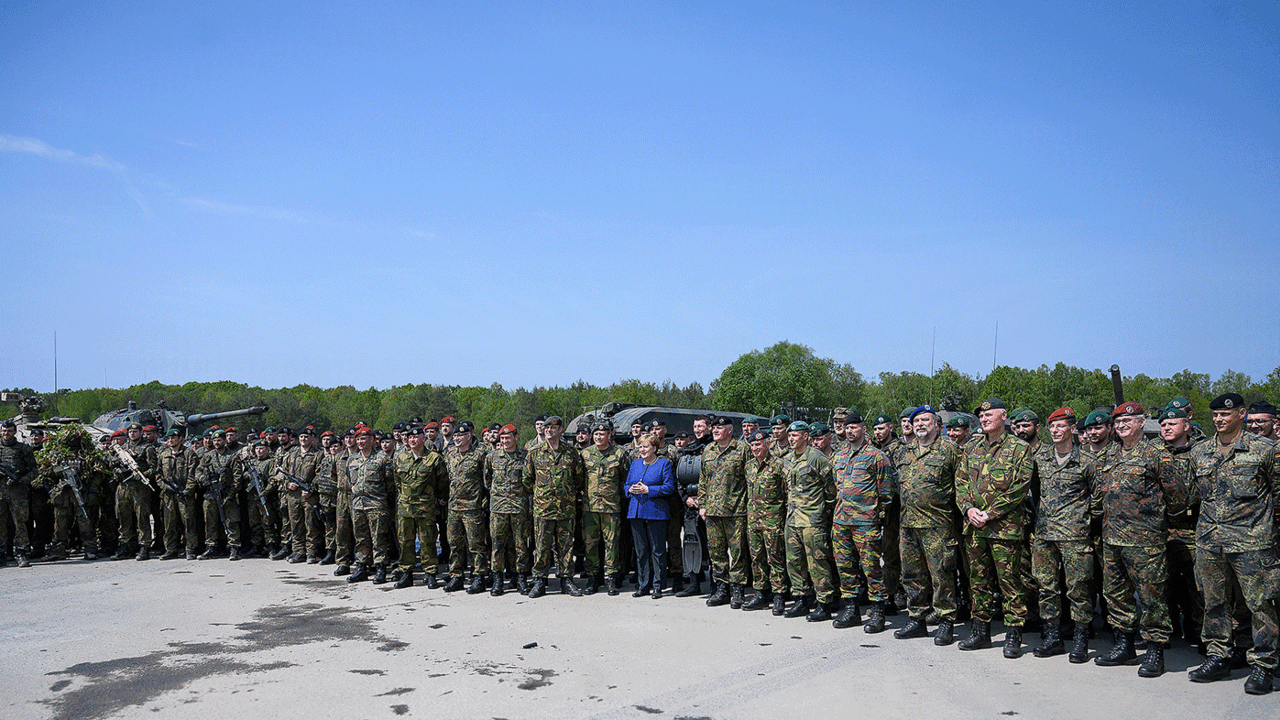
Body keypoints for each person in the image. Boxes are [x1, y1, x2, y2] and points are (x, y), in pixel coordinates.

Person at [1187, 393, 1279, 695]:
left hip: (1252, 541)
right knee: (1214, 603)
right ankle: (1218, 656)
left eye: (1225, 415)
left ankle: (1264, 665)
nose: (1219, 419)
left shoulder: (1264, 449)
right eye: (1215, 415)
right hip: (1211, 542)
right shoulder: (1200, 452)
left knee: (1260, 605)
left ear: (1241, 414)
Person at [1092, 402, 1182, 678]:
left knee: (1152, 596)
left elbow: (1177, 497)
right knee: (1116, 595)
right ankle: (1125, 645)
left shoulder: (1156, 455)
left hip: (1146, 540)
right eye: (1117, 422)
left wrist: (1157, 522)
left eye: (1127, 421)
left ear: (1142, 423)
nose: (1121, 426)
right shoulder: (1108, 454)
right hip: (1112, 538)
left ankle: (1155, 650)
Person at [955, 398, 1034, 658]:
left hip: (1005, 530)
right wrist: (968, 510)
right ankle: (980, 633)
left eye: (989, 414)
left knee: (1010, 582)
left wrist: (989, 513)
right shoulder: (971, 448)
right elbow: (961, 484)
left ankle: (1013, 635)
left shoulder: (1019, 448)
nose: (984, 418)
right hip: (975, 528)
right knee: (978, 582)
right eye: (981, 414)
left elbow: (1019, 489)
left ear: (1004, 416)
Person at [1029, 408, 1098, 663]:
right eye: (1052, 427)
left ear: (1072, 429)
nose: (1055, 431)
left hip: (1075, 535)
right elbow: (1036, 493)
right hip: (1045, 534)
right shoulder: (1041, 459)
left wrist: (1080, 520)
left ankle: (1080, 639)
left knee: (1078, 589)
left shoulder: (1087, 462)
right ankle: (1053, 637)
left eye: (1061, 426)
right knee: (1046, 587)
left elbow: (1097, 499)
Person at [895, 406, 963, 646]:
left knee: (941, 575)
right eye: (917, 421)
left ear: (937, 424)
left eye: (925, 420)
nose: (920, 424)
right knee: (912, 575)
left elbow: (962, 489)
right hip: (908, 525)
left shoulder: (951, 451)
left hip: (938, 526)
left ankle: (945, 621)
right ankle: (917, 619)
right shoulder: (904, 452)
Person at [830, 409, 897, 632]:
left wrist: (877, 518)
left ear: (863, 429)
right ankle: (851, 610)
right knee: (845, 568)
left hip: (866, 523)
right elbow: (835, 487)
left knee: (871, 569)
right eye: (847, 428)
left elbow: (886, 492)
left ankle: (878, 611)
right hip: (841, 522)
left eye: (854, 427)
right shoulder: (838, 457)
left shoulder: (877, 457)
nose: (850, 431)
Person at [782, 422, 838, 621]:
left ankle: (824, 603)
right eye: (789, 436)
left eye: (795, 435)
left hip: (812, 519)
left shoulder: (817, 458)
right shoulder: (788, 459)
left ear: (805, 436)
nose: (791, 439)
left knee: (817, 563)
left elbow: (831, 489)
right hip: (792, 519)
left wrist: (824, 509)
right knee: (794, 562)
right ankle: (801, 600)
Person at [525, 416, 584, 598]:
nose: (549, 430)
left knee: (566, 546)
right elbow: (527, 480)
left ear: (560, 430)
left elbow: (579, 479)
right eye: (546, 427)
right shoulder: (534, 453)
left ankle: (567, 580)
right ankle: (540, 581)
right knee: (542, 546)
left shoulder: (571, 452)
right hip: (543, 509)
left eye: (553, 427)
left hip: (566, 509)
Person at [698, 416, 750, 608]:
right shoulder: (708, 450)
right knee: (716, 552)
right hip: (712, 510)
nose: (715, 431)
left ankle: (738, 590)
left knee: (737, 553)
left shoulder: (742, 449)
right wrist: (702, 504)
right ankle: (721, 589)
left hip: (736, 510)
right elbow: (703, 479)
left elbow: (750, 479)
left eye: (720, 428)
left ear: (729, 429)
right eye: (714, 428)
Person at [391, 426, 448, 589]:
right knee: (405, 542)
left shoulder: (434, 458)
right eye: (410, 438)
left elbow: (442, 482)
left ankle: (430, 574)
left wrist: (434, 498)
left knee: (428, 541)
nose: (413, 440)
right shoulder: (400, 458)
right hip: (406, 508)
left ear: (423, 438)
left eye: (416, 437)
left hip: (426, 508)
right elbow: (398, 482)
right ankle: (407, 573)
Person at [742, 429, 789, 614]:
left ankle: (779, 596)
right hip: (753, 521)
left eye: (758, 444)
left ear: (767, 444)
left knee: (775, 558)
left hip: (773, 521)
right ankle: (760, 593)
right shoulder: (749, 466)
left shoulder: (778, 465)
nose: (755, 448)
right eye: (752, 445)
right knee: (756, 558)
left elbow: (786, 494)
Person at [625, 433, 675, 598]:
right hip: (636, 512)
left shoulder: (664, 464)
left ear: (654, 447)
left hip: (656, 513)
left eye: (645, 446)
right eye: (640, 446)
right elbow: (626, 484)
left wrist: (649, 490)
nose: (642, 449)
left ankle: (658, 586)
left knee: (657, 550)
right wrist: (629, 490)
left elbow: (669, 487)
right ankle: (643, 585)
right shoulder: (635, 464)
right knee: (641, 551)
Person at [581, 421, 627, 595]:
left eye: (602, 434)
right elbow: (579, 478)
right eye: (596, 434)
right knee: (590, 544)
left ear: (609, 435)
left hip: (611, 507)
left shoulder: (619, 454)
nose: (599, 437)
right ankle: (593, 578)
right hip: (589, 507)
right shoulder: (585, 454)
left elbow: (625, 479)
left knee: (612, 544)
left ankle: (611, 578)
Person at [444, 422, 490, 593]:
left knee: (476, 545)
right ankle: (456, 576)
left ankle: (479, 577)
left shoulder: (480, 454)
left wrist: (483, 504)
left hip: (472, 507)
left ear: (469, 437)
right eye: (455, 436)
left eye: (460, 436)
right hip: (454, 507)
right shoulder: (449, 454)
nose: (456, 439)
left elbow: (487, 481)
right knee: (454, 544)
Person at [485, 424, 531, 594]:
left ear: (516, 437)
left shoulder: (525, 456)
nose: (504, 441)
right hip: (498, 507)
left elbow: (529, 480)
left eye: (508, 438)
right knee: (497, 545)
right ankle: (498, 579)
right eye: (502, 438)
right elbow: (487, 480)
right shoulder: (492, 457)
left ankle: (520, 579)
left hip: (519, 507)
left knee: (520, 545)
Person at [347, 426, 394, 584]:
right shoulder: (352, 459)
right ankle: (361, 567)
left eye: (363, 438)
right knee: (360, 538)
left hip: (376, 504)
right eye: (358, 439)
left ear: (372, 440)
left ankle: (380, 567)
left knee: (379, 538)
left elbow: (390, 484)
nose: (360, 441)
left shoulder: (382, 459)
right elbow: (350, 481)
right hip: (358, 504)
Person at [0, 420, 38, 567]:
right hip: (1, 494)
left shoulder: (24, 449)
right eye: (4, 430)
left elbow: (34, 471)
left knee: (20, 524)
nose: (6, 433)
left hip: (18, 494)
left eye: (9, 430)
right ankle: (2, 553)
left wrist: (21, 480)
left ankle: (21, 552)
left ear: (15, 431)